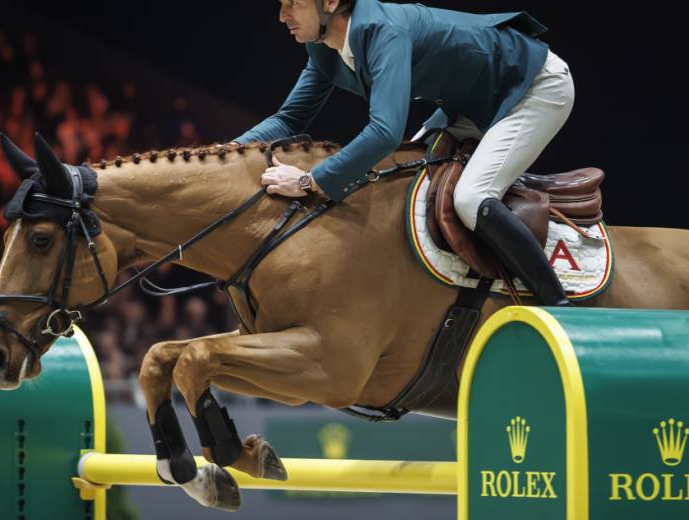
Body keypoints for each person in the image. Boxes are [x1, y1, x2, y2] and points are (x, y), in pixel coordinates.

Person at [234, 0, 574, 306]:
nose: (282, 16)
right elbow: (289, 118)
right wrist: (225, 152)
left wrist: (311, 180)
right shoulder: (323, 47)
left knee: (470, 198)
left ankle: (556, 303)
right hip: (471, 104)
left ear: (330, 3)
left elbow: (384, 132)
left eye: (292, 3)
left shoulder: (383, 31)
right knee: (400, 178)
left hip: (534, 88)